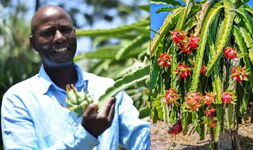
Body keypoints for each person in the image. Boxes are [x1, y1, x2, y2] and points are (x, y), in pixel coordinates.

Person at [1, 5, 150, 150]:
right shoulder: (19, 98)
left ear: (74, 33)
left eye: (65, 30)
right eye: (48, 33)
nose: (59, 38)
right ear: (33, 43)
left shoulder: (108, 89)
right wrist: (86, 135)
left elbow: (141, 139)